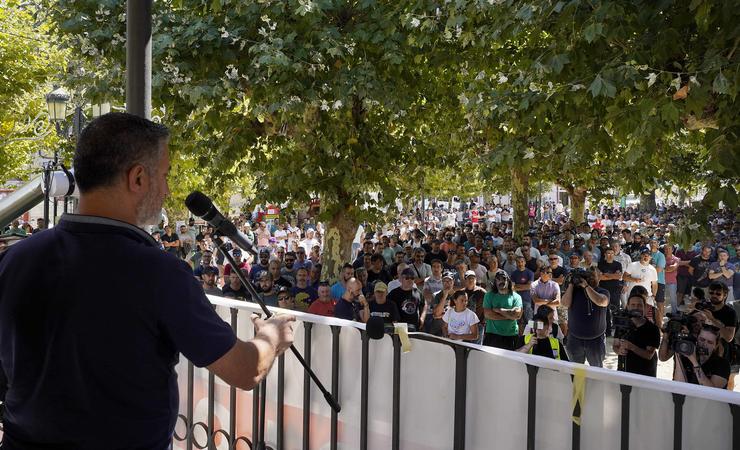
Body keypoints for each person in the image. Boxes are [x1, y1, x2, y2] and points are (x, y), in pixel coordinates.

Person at [0, 113, 295, 449]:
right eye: (165, 175)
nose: (168, 189)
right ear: (138, 178)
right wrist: (272, 336)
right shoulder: (159, 274)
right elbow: (245, 370)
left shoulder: (15, 259)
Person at [561, 268, 610, 367]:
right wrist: (571, 284)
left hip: (595, 340)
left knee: (597, 371)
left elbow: (602, 302)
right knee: (576, 372)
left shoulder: (603, 291)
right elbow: (565, 303)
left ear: (599, 277)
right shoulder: (574, 291)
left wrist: (586, 286)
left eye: (593, 276)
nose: (590, 278)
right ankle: (578, 383)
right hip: (574, 339)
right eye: (588, 276)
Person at [612, 294, 661, 377]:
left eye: (639, 305)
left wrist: (631, 347)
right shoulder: (621, 324)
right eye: (633, 305)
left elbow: (649, 355)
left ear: (645, 307)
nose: (636, 308)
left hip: (645, 374)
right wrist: (619, 350)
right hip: (623, 371)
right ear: (628, 306)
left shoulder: (653, 329)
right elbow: (615, 345)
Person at [482, 271, 523, 350]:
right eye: (498, 279)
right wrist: (510, 316)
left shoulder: (516, 297)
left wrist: (500, 310)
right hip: (492, 335)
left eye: (504, 279)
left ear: (508, 281)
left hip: (511, 335)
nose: (501, 281)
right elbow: (488, 315)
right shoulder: (489, 295)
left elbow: (517, 315)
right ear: (495, 281)